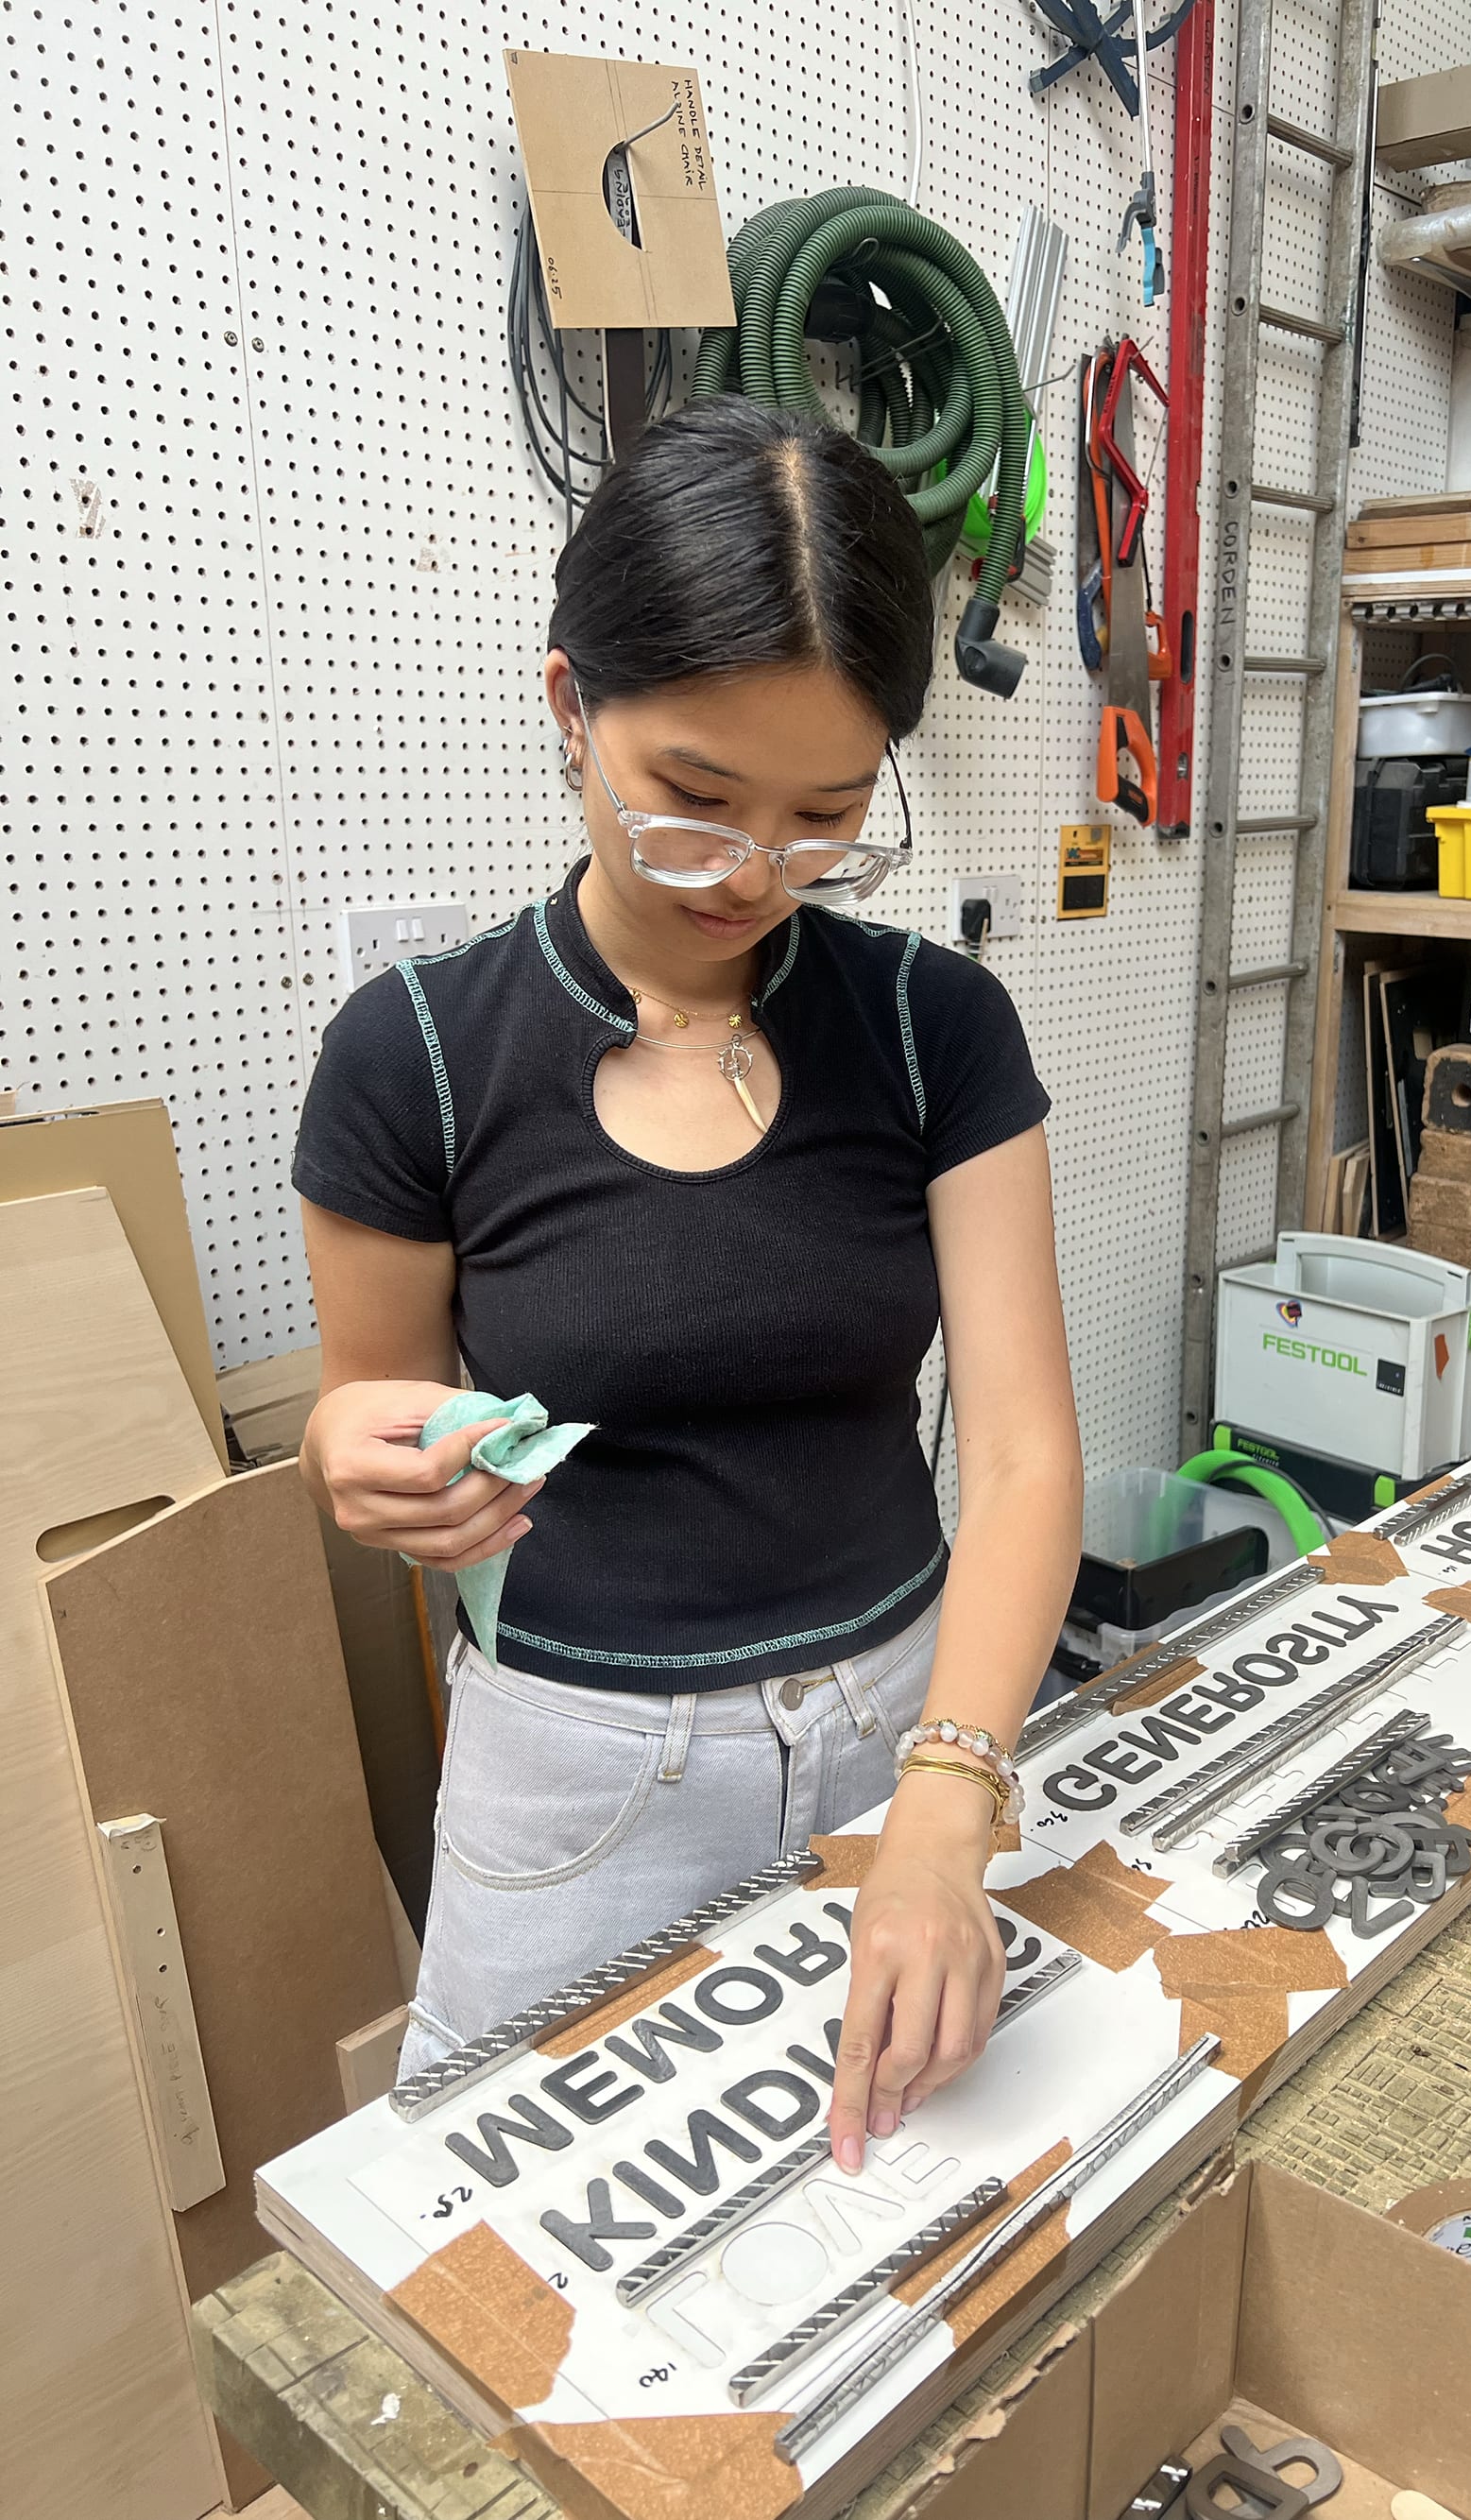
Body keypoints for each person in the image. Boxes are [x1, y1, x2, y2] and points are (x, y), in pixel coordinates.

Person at [294, 399, 1083, 2170]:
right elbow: (365, 1404)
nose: (748, 877)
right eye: (696, 804)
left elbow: (1029, 1452)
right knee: (511, 2242)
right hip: (576, 1771)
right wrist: (361, 1453)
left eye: (824, 819)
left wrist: (952, 1796)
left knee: (921, 2220)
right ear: (571, 707)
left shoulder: (933, 1028)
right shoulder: (417, 1058)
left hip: (908, 1724)